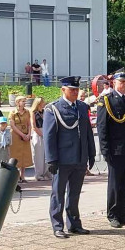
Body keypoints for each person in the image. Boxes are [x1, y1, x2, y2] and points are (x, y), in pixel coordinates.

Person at [43, 76, 95, 239]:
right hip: (62, 159)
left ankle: (74, 224)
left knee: (74, 193)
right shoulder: (53, 109)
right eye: (71, 89)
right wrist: (51, 159)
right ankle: (58, 226)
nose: (74, 92)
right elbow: (49, 136)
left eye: (76, 89)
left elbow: (87, 133)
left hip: (79, 158)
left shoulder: (81, 107)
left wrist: (91, 153)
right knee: (58, 193)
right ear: (63, 90)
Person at [96, 70, 125, 228]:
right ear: (114, 83)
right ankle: (113, 214)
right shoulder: (107, 100)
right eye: (121, 81)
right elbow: (102, 127)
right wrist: (105, 150)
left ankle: (124, 213)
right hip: (116, 149)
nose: (124, 84)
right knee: (115, 184)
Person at [9, 96, 33, 182]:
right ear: (17, 102)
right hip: (16, 135)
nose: (24, 103)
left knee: (24, 154)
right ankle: (16, 176)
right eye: (23, 101)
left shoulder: (27, 112)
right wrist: (22, 134)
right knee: (16, 154)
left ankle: (23, 176)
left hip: (26, 134)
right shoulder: (13, 112)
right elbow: (12, 125)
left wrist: (29, 134)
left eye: (25, 101)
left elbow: (29, 124)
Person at [30, 96, 51, 182]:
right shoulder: (33, 112)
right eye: (42, 102)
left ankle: (47, 173)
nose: (44, 103)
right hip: (38, 133)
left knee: (46, 154)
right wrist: (42, 134)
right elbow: (33, 126)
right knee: (38, 155)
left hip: (45, 132)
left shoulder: (45, 111)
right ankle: (39, 174)